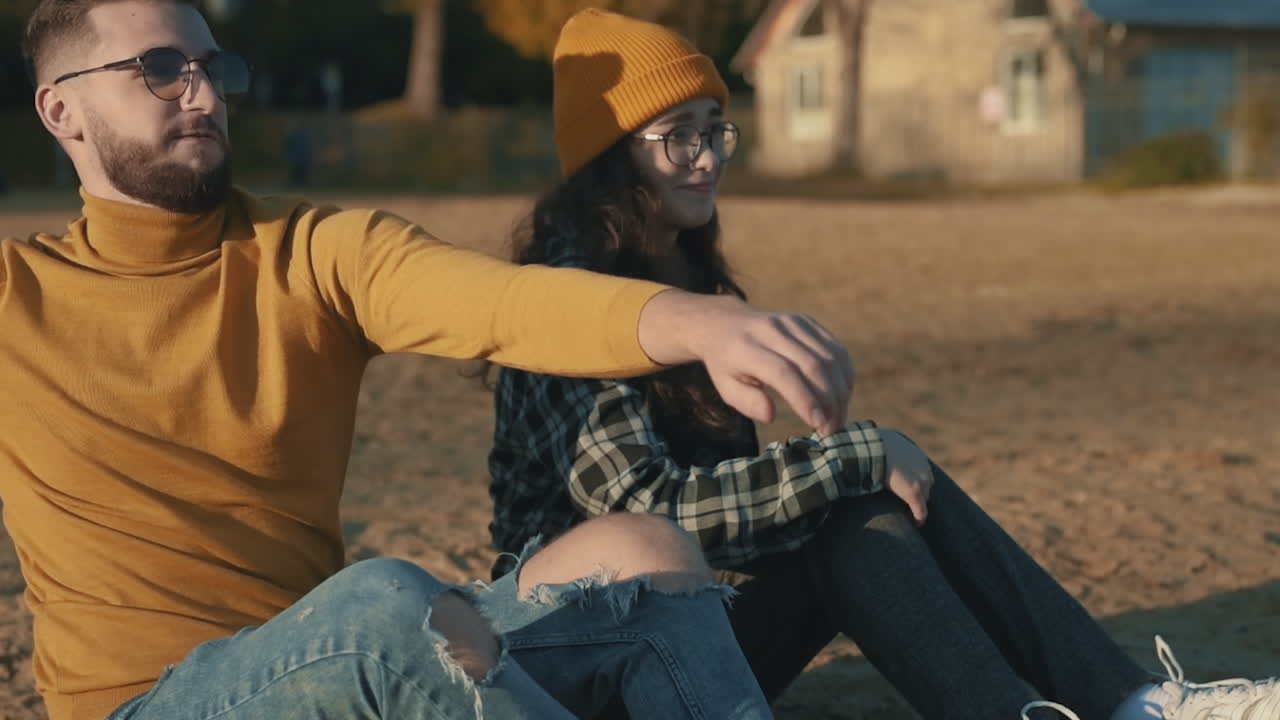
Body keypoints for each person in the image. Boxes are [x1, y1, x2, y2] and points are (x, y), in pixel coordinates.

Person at [0, 1, 868, 718]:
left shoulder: (307, 251)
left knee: (650, 556)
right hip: (155, 703)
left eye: (211, 66)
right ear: (60, 110)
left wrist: (697, 321)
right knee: (384, 605)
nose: (201, 91)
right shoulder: (15, 295)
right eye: (159, 68)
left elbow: (500, 302)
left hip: (330, 670)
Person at [486, 9, 1280, 720]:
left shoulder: (687, 280)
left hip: (684, 631)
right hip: (583, 665)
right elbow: (648, 514)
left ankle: (1133, 702)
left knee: (855, 507)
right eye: (677, 135)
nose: (707, 158)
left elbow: (727, 526)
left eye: (715, 129)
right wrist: (850, 458)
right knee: (854, 482)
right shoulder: (558, 303)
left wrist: (841, 472)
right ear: (609, 159)